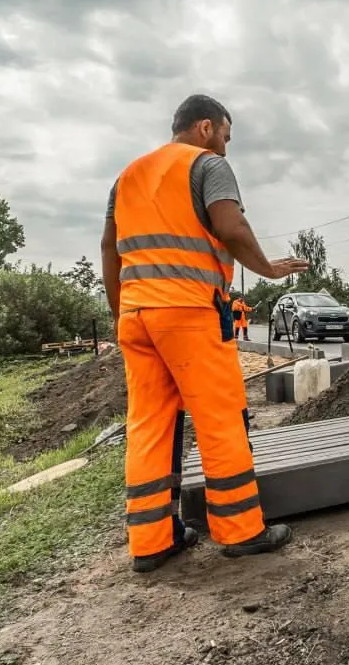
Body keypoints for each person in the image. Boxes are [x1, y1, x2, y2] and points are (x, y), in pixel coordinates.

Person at [101, 94, 309, 573]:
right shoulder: (206, 165)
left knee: (150, 426)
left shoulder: (126, 176)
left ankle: (152, 542)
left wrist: (121, 314)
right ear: (205, 128)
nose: (226, 148)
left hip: (136, 316)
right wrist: (269, 269)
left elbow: (110, 248)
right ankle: (240, 531)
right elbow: (230, 226)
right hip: (188, 311)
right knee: (221, 418)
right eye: (226, 137)